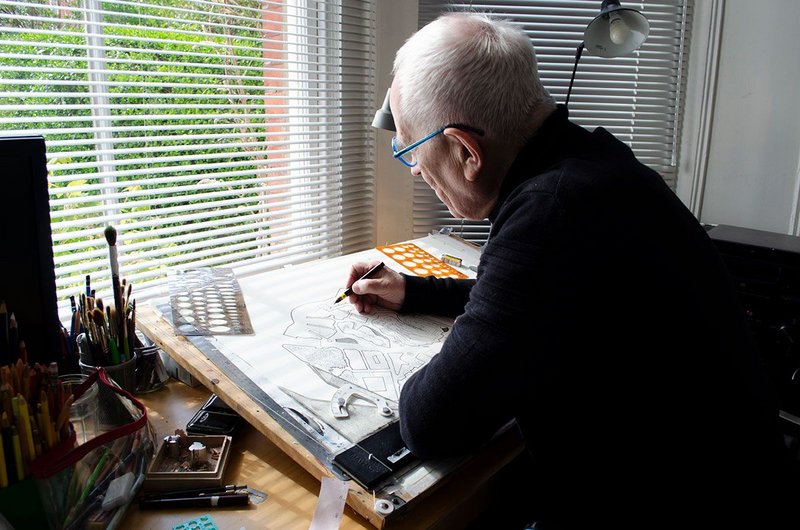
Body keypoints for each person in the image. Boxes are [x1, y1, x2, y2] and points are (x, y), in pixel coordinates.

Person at [343, 13, 790, 529]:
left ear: (466, 151)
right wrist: (415, 292)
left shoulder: (553, 214)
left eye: (411, 151)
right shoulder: (595, 163)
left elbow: (432, 423)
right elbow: (543, 300)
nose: (416, 170)